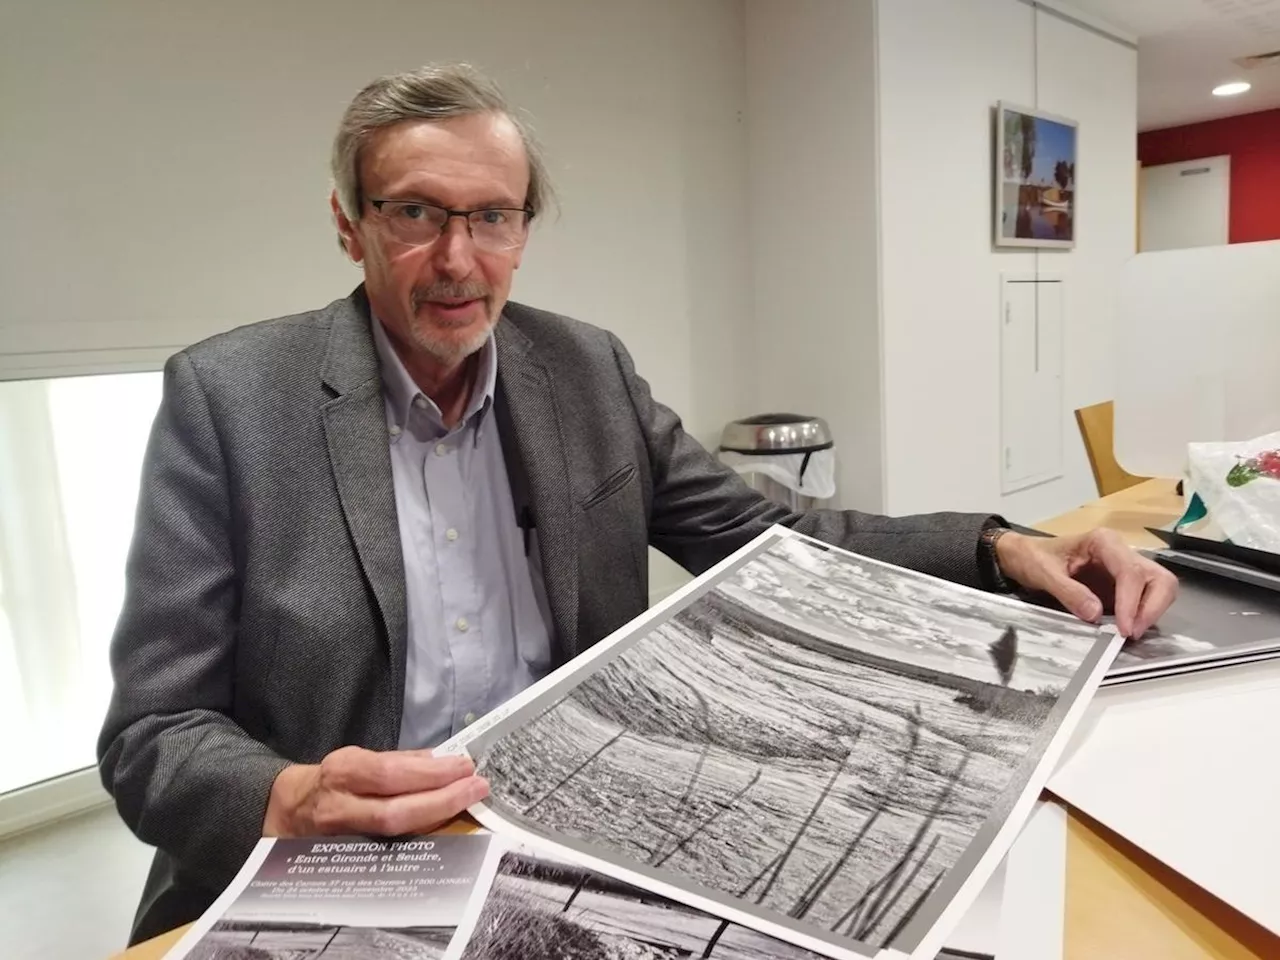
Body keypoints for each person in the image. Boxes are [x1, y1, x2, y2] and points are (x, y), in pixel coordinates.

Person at [98, 63, 1177, 944]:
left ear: (526, 226)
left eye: (493, 217)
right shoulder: (230, 399)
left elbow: (778, 538)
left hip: (575, 836)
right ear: (350, 225)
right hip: (352, 873)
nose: (458, 259)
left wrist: (999, 548)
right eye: (416, 214)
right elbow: (153, 731)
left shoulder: (584, 371)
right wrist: (286, 798)